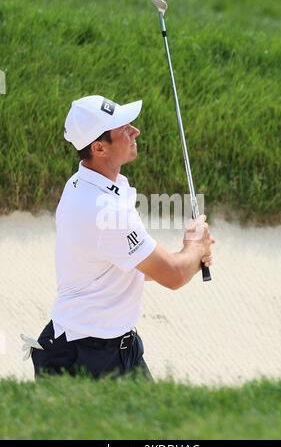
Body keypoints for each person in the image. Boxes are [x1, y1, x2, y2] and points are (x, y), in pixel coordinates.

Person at [25, 95, 215, 380]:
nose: (135, 131)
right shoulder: (105, 210)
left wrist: (193, 255)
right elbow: (173, 275)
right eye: (123, 128)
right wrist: (193, 247)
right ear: (99, 147)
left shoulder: (87, 185)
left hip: (113, 348)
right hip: (86, 358)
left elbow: (129, 265)